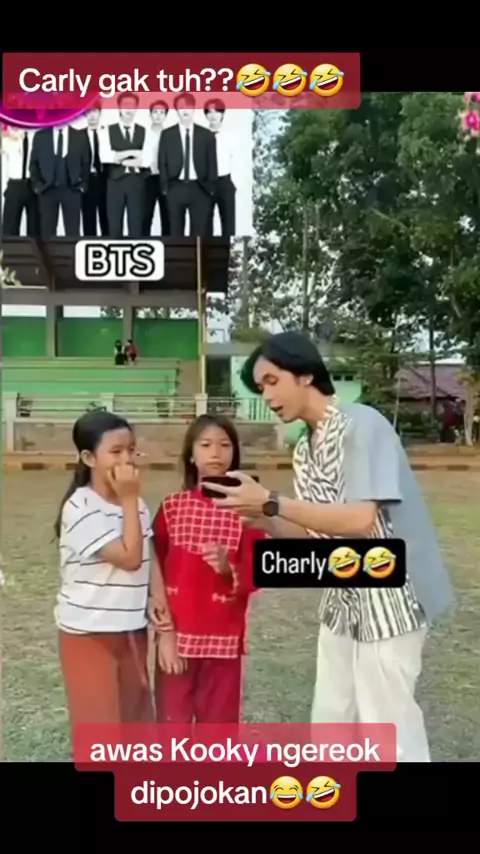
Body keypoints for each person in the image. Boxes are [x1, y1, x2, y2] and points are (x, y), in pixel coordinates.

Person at [206, 331, 456, 762]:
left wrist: (272, 501)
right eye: (260, 387)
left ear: (305, 374)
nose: (267, 396)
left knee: (387, 727)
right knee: (331, 719)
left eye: (271, 381)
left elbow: (360, 520)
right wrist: (266, 518)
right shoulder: (305, 449)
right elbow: (316, 538)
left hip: (391, 597)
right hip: (342, 597)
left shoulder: (362, 424)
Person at [53, 411, 175, 740]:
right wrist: (129, 498)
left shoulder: (136, 505)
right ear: (89, 458)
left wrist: (159, 599)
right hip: (89, 633)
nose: (127, 460)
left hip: (131, 628)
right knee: (100, 730)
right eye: (116, 452)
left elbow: (147, 553)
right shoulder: (80, 508)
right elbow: (130, 558)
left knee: (137, 722)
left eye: (131, 450)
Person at [151, 414, 266, 723]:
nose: (215, 453)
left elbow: (258, 569)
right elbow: (153, 570)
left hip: (223, 642)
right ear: (191, 455)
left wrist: (229, 569)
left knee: (219, 729)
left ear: (235, 452)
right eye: (205, 445)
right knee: (172, 727)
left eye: (224, 445)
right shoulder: (172, 507)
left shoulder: (248, 511)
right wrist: (164, 634)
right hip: (176, 640)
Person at [158, 93, 217, 236]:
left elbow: (212, 162)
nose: (185, 110)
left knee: (199, 235)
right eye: (181, 107)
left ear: (194, 108)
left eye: (188, 106)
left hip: (200, 188)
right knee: (174, 233)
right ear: (176, 110)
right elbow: (162, 162)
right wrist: (165, 188)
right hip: (175, 187)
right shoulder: (167, 134)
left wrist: (211, 188)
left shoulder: (206, 135)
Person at [99, 93, 147, 238]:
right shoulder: (107, 130)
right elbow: (105, 156)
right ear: (119, 107)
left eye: (132, 105)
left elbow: (146, 159)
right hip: (115, 182)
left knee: (136, 224)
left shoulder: (143, 130)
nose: (128, 108)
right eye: (125, 105)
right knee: (114, 225)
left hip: (137, 181)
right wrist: (133, 152)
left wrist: (119, 157)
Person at [29, 124, 89, 237]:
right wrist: (37, 186)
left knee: (73, 233)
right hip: (47, 190)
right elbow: (33, 164)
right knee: (47, 233)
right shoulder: (41, 136)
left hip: (72, 190)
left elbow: (86, 162)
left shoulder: (79, 136)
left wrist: (82, 184)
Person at [204, 99, 238, 236]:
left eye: (216, 111)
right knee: (205, 226)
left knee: (228, 225)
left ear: (222, 114)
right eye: (209, 112)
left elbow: (238, 161)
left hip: (224, 182)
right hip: (206, 183)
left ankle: (228, 249)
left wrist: (235, 184)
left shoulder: (231, 136)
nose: (213, 115)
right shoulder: (200, 136)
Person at [2, 128, 39, 236]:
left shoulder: (37, 137)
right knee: (10, 227)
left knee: (34, 227)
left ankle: (33, 247)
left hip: (33, 183)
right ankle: (10, 247)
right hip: (14, 184)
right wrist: (7, 134)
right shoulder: (7, 139)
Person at [143, 100, 170, 236]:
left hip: (167, 179)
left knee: (168, 216)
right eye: (155, 112)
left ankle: (168, 245)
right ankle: (144, 243)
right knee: (145, 215)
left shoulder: (171, 135)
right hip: (148, 178)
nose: (158, 115)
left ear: (166, 115)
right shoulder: (144, 134)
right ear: (150, 114)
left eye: (161, 112)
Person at [81, 102, 108, 237]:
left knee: (107, 219)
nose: (92, 116)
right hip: (87, 181)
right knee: (88, 219)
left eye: (95, 112)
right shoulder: (78, 135)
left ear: (100, 114)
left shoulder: (107, 133)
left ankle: (107, 246)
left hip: (106, 180)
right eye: (88, 112)